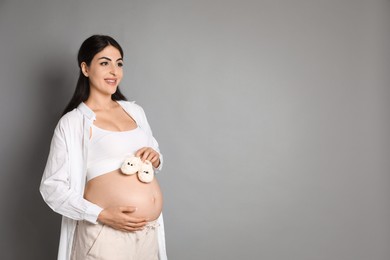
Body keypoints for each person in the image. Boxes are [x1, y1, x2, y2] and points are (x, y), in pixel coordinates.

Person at [40, 35, 167, 260]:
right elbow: (52, 187)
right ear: (85, 68)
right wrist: (100, 215)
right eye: (104, 62)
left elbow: (154, 154)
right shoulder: (73, 123)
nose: (114, 71)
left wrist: (155, 157)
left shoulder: (135, 112)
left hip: (147, 234)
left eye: (119, 63)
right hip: (104, 236)